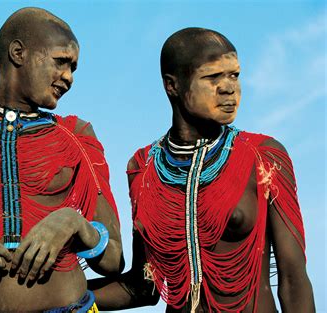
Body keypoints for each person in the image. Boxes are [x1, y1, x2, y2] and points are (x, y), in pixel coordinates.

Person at [88, 27, 315, 312]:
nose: (229, 87)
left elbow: (293, 280)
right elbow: (145, 286)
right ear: (172, 85)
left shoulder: (262, 155)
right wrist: (67, 297)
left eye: (234, 75)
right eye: (212, 77)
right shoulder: (144, 167)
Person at [0, 7, 123, 312]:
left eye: (74, 68)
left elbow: (114, 260)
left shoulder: (75, 136)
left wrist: (74, 222)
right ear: (18, 53)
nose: (68, 77)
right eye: (61, 62)